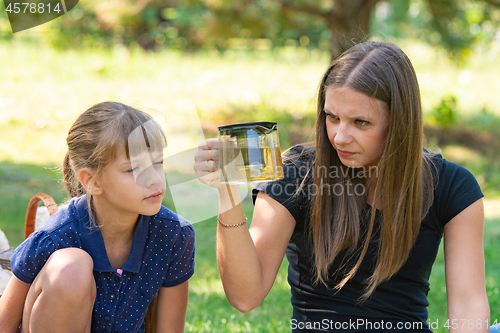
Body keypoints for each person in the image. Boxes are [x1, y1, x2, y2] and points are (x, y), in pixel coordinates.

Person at [194, 41, 492, 332]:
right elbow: (246, 296)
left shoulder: (452, 185)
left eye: (360, 122)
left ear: (399, 122)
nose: (339, 137)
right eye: (332, 117)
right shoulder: (298, 173)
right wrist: (227, 195)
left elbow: (468, 306)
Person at [0, 102, 195, 333]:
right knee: (72, 267)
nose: (154, 179)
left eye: (158, 162)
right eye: (134, 169)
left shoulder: (174, 235)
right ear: (92, 181)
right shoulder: (55, 236)